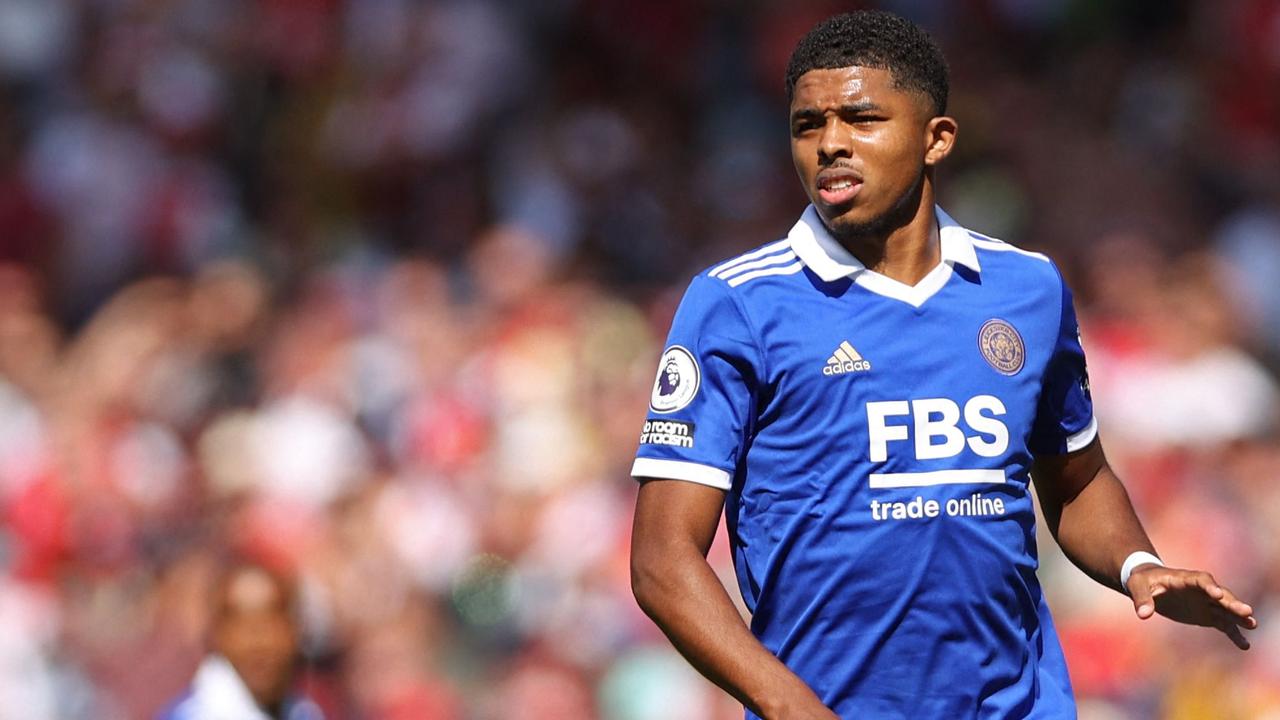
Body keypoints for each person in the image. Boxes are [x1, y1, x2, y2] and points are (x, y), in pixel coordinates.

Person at [628, 10, 1257, 719]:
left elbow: (1075, 476)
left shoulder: (1028, 290)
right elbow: (661, 560)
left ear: (937, 139)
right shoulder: (738, 303)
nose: (831, 144)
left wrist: (1138, 565)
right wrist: (786, 703)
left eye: (862, 119)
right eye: (809, 125)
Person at [158, 561, 322, 720]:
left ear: (296, 630)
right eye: (245, 628)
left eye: (270, 625)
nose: (259, 644)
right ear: (216, 636)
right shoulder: (193, 716)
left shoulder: (303, 712)